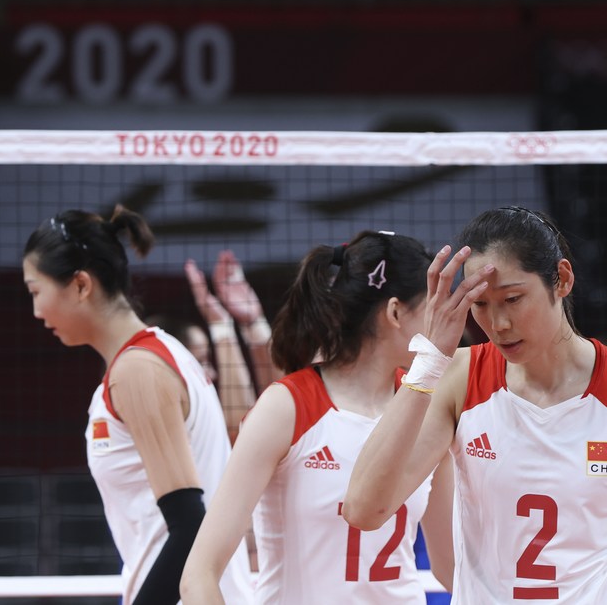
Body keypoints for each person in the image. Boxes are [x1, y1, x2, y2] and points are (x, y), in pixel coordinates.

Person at [343, 206, 607, 604]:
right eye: (481, 304)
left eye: (513, 298)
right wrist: (429, 359)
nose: (498, 323)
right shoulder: (458, 377)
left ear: (563, 279)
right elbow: (364, 509)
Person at [180, 230, 455, 604]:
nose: (442, 322)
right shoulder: (286, 407)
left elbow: (450, 566)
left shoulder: (429, 406)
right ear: (394, 313)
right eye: (432, 308)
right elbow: (199, 575)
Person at [22, 205, 253, 605]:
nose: (37, 312)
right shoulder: (158, 355)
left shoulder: (139, 370)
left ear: (81, 285)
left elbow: (190, 527)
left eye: (36, 291)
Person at [147, 250, 274, 444]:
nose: (212, 374)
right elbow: (242, 432)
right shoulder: (165, 422)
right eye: (200, 362)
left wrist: (253, 324)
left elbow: (283, 408)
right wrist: (221, 327)